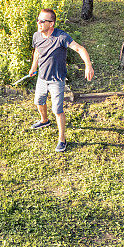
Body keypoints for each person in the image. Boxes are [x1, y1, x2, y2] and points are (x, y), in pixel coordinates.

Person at [28, 8, 94, 152]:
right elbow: (37, 51)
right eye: (38, 20)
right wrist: (33, 67)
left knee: (57, 110)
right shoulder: (37, 36)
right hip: (41, 78)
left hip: (56, 80)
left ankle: (62, 140)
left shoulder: (61, 37)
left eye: (42, 21)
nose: (38, 23)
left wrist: (88, 65)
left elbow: (80, 49)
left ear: (51, 24)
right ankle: (44, 121)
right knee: (38, 102)